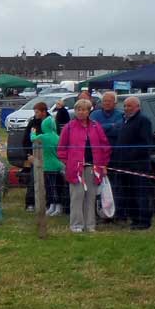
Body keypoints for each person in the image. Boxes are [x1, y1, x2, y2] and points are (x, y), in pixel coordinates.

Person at [57, 98, 110, 233]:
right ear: (75, 111)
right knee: (77, 196)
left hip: (93, 167)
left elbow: (104, 146)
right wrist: (68, 162)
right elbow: (61, 148)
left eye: (84, 109)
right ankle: (76, 225)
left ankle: (90, 225)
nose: (81, 112)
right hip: (75, 168)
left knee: (91, 196)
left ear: (89, 111)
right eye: (78, 109)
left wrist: (103, 164)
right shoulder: (69, 127)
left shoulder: (95, 126)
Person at [112, 95, 154, 230]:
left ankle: (144, 221)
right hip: (124, 165)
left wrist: (129, 154)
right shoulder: (125, 120)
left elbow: (145, 144)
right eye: (124, 106)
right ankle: (135, 219)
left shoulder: (143, 121)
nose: (126, 108)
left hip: (138, 165)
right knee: (128, 193)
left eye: (129, 106)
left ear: (137, 107)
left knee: (140, 194)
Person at [29, 115, 65, 215]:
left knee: (50, 187)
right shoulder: (57, 137)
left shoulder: (42, 137)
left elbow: (33, 139)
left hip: (48, 166)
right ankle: (56, 206)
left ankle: (55, 206)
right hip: (58, 165)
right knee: (57, 187)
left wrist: (32, 132)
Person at [22, 101, 50, 211]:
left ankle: (49, 202)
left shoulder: (51, 122)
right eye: (35, 112)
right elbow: (26, 139)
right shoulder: (33, 123)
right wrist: (28, 154)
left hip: (48, 155)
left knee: (48, 179)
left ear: (44, 112)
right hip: (35, 155)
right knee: (34, 179)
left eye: (37, 112)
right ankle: (30, 203)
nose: (36, 114)